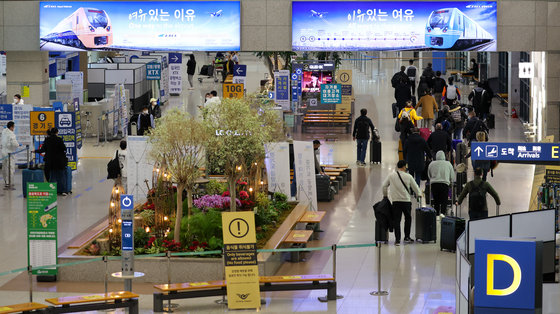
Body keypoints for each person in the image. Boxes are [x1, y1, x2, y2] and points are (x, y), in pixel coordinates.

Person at [382, 160, 422, 246]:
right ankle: (407, 237)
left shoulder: (391, 176)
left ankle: (397, 240)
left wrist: (385, 196)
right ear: (404, 167)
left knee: (397, 220)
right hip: (406, 201)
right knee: (408, 218)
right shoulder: (408, 176)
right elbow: (416, 188)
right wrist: (419, 195)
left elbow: (384, 186)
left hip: (396, 201)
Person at [36, 128, 68, 195]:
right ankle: (63, 191)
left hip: (50, 161)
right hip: (59, 161)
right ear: (57, 132)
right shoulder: (59, 139)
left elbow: (43, 150)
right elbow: (64, 148)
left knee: (52, 176)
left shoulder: (47, 140)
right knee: (61, 175)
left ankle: (52, 190)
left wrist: (35, 151)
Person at [428, 151, 454, 217]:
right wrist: (451, 181)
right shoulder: (448, 164)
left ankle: (436, 215)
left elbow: (429, 175)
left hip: (434, 184)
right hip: (444, 184)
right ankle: (442, 214)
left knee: (436, 200)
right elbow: (452, 176)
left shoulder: (432, 164)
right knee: (444, 200)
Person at [1, 121, 19, 188]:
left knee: (4, 167)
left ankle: (6, 181)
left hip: (3, 152)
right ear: (11, 127)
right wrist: (18, 145)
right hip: (9, 153)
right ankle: (9, 182)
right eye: (13, 127)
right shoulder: (12, 134)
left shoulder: (4, 131)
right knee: (10, 168)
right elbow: (14, 143)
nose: (14, 128)